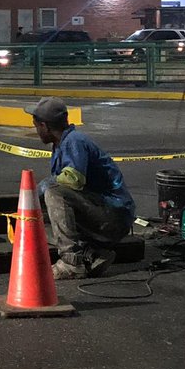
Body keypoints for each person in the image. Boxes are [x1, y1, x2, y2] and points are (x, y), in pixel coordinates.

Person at [27, 96, 135, 280]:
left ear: (45, 126)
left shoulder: (75, 142)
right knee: (37, 223)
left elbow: (73, 180)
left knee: (53, 193)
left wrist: (42, 186)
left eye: (36, 126)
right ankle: (93, 254)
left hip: (114, 216)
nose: (36, 131)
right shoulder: (61, 144)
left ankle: (72, 262)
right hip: (101, 212)